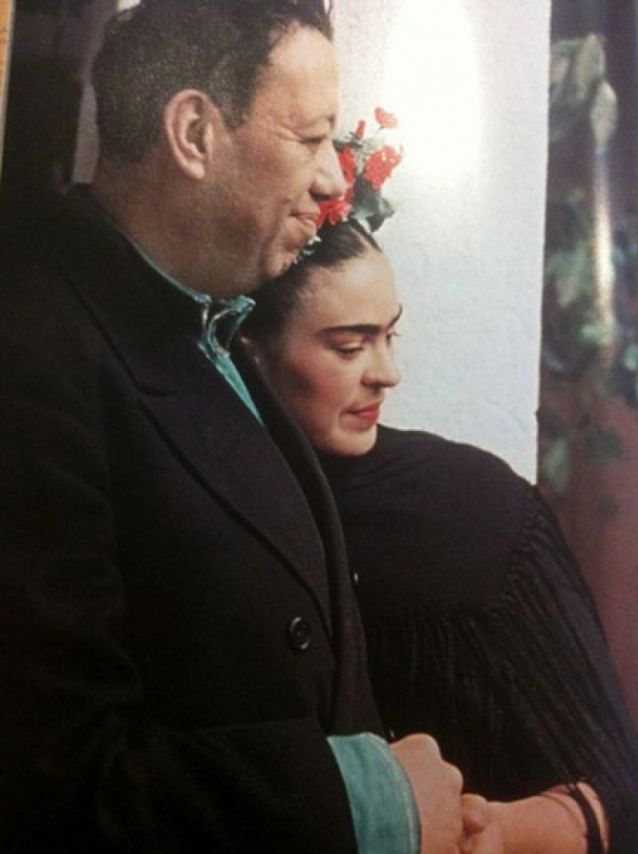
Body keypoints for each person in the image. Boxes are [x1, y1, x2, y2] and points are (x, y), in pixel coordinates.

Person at [0, 2, 478, 852]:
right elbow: (50, 783)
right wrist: (372, 803)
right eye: (310, 139)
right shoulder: (32, 355)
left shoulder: (204, 324)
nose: (336, 180)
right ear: (195, 134)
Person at [242, 218, 638, 852]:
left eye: (390, 335)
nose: (387, 373)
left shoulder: (470, 508)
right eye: (350, 347)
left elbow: (616, 784)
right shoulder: (217, 515)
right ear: (251, 351)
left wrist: (503, 831)